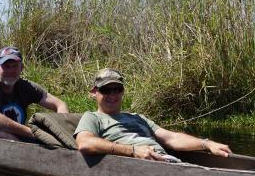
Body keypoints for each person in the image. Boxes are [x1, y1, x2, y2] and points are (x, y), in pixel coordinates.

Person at [74, 68, 232, 161]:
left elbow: (171, 138)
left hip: (166, 161)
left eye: (118, 89)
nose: (113, 95)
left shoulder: (137, 117)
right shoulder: (92, 117)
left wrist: (207, 144)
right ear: (94, 92)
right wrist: (133, 151)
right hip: (143, 165)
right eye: (106, 90)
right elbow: (85, 143)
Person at [0, 46, 69, 140]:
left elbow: (60, 104)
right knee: (2, 135)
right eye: (6, 66)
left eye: (15, 66)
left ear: (21, 68)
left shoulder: (26, 87)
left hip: (16, 139)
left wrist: (61, 130)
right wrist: (32, 132)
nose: (11, 71)